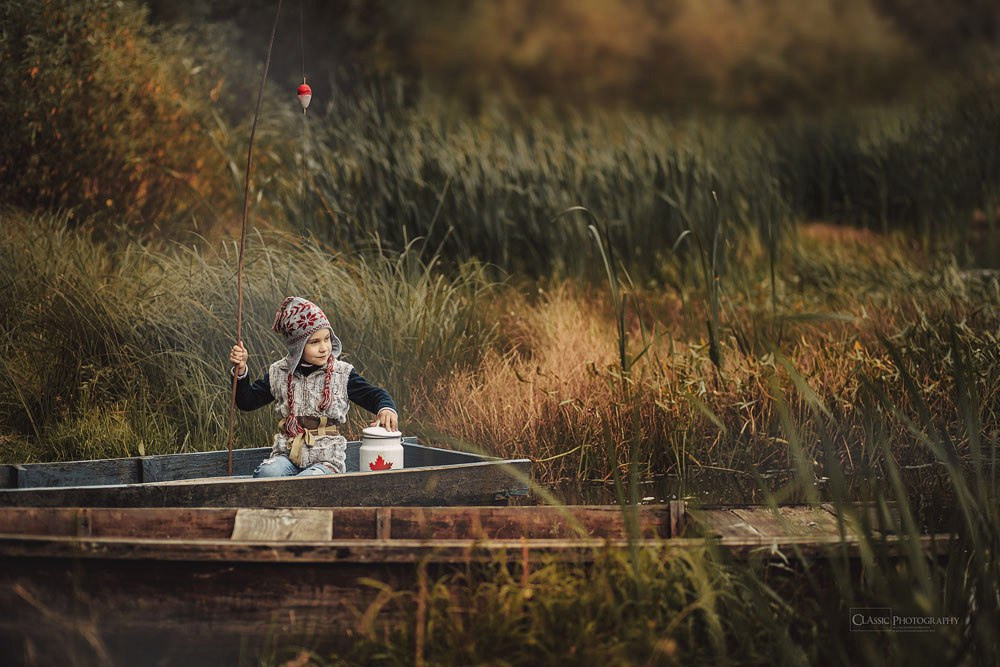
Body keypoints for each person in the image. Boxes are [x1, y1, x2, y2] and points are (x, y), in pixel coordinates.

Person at [228, 296, 398, 477]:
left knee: (308, 481)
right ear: (297, 347)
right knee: (267, 473)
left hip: (326, 459)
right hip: (288, 454)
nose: (324, 348)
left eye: (327, 339)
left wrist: (385, 408)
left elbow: (374, 395)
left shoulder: (341, 374)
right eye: (314, 342)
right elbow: (247, 401)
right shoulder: (279, 372)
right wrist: (241, 371)